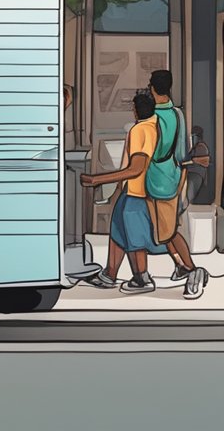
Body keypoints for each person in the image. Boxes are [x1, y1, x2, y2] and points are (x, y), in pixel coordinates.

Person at [81, 92, 162, 294]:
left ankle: (142, 277)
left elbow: (136, 168)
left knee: (135, 234)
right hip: (134, 190)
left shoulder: (140, 130)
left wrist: (96, 179)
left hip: (138, 190)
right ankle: (110, 274)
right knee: (118, 228)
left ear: (136, 110)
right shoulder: (155, 126)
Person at [146, 70, 207, 299]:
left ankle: (193, 269)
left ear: (152, 88)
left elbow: (150, 151)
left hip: (155, 179)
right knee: (165, 228)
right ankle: (181, 264)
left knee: (167, 231)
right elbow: (182, 152)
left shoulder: (151, 117)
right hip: (175, 176)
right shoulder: (178, 114)